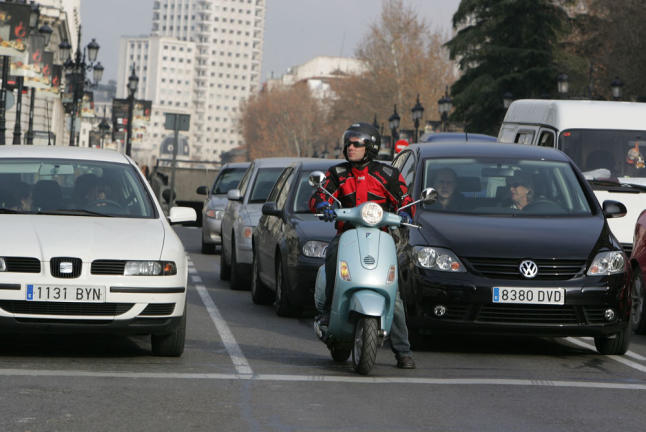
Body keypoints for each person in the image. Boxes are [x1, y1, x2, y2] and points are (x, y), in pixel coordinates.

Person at [309, 122, 417, 369]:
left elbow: (405, 199)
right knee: (332, 256)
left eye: (356, 143)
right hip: (347, 235)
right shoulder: (337, 173)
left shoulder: (388, 174)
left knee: (395, 295)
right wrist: (323, 205)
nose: (350, 147)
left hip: (381, 237)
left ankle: (403, 351)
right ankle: (328, 311)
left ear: (371, 146)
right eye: (348, 143)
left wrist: (407, 214)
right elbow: (319, 195)